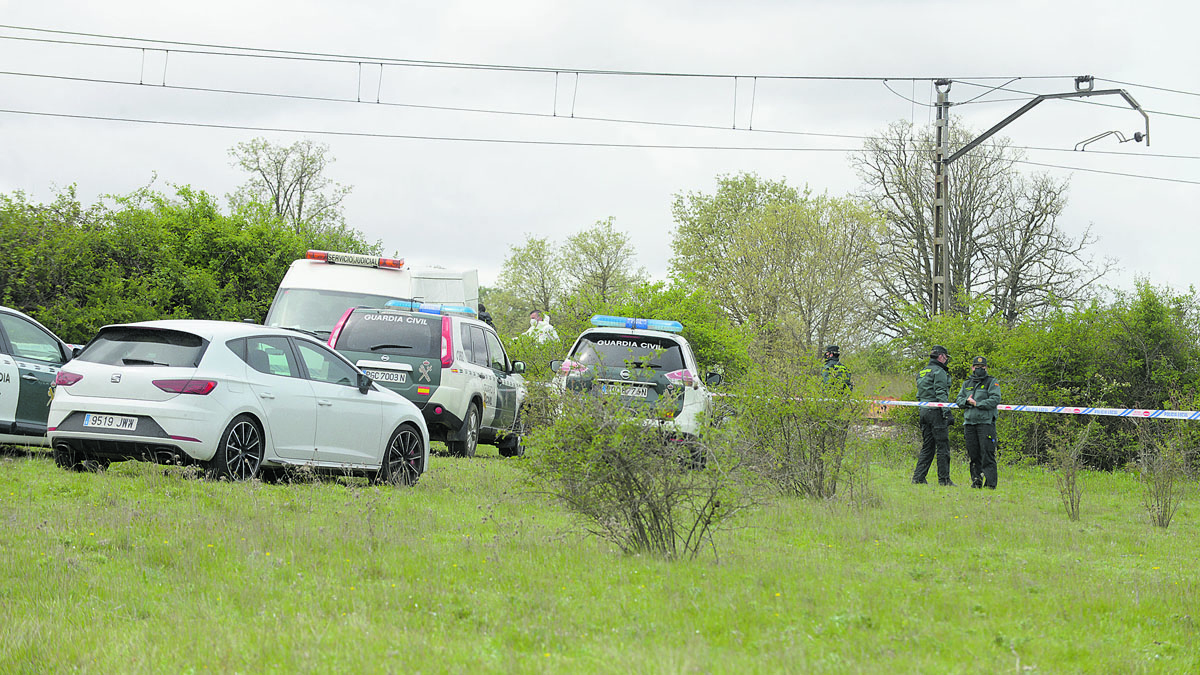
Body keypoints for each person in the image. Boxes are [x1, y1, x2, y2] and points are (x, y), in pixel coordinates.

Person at [955, 356, 1002, 489]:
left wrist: (978, 404)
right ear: (972, 368)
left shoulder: (992, 382)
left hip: (985, 423)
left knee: (987, 454)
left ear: (986, 368)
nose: (979, 369)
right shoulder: (967, 384)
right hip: (970, 423)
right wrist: (967, 402)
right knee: (973, 455)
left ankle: (990, 484)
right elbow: (959, 400)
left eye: (982, 367)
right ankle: (976, 481)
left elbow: (995, 399)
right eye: (976, 367)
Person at [912, 345, 954, 486]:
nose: (946, 360)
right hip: (936, 411)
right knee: (943, 446)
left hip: (923, 411)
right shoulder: (939, 371)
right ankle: (944, 480)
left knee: (927, 446)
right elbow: (941, 392)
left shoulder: (922, 372)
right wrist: (946, 411)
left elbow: (919, 395)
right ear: (941, 356)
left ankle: (918, 478)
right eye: (946, 357)